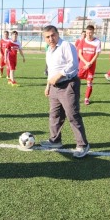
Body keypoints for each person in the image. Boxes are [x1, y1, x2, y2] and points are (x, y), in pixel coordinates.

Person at [40, 25, 90, 158]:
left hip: (68, 85)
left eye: (53, 35)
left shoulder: (66, 45)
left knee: (72, 115)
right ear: (44, 38)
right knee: (55, 115)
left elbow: (73, 65)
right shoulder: (49, 50)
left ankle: (82, 145)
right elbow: (51, 70)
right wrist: (48, 85)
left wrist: (60, 75)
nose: (51, 38)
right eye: (47, 37)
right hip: (54, 88)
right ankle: (55, 141)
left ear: (57, 33)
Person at [78, 25, 101, 105]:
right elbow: (80, 54)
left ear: (93, 32)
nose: (89, 34)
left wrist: (90, 63)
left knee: (89, 83)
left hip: (91, 67)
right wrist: (86, 62)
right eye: (87, 33)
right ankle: (76, 97)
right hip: (82, 66)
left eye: (90, 33)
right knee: (76, 82)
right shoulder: (82, 41)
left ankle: (86, 99)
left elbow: (97, 54)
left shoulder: (97, 42)